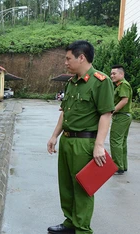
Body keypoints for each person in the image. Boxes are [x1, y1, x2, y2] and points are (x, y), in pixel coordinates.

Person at [47, 40, 114, 234]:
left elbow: (106, 114)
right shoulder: (72, 83)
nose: (65, 62)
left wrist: (99, 145)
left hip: (85, 142)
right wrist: (54, 136)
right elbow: (64, 112)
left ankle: (82, 229)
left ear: (81, 57)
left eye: (68, 58)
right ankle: (70, 222)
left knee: (83, 187)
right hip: (67, 140)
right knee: (66, 185)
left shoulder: (100, 82)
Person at [110, 65, 132, 175]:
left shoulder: (123, 85)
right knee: (121, 142)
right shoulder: (120, 85)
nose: (112, 75)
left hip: (121, 116)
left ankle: (117, 167)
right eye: (111, 74)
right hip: (125, 116)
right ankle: (123, 165)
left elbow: (124, 100)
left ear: (121, 74)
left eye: (114, 73)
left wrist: (112, 111)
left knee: (115, 141)